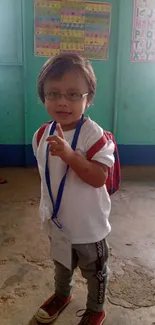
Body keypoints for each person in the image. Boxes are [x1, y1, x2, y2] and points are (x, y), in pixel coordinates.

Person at [32, 53, 114, 325]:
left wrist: (70, 155)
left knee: (95, 272)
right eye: (53, 93)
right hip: (58, 223)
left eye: (73, 94)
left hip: (89, 227)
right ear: (43, 96)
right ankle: (62, 294)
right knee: (61, 265)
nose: (62, 101)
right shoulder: (41, 134)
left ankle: (95, 308)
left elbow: (99, 178)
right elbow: (47, 178)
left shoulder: (94, 136)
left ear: (88, 98)